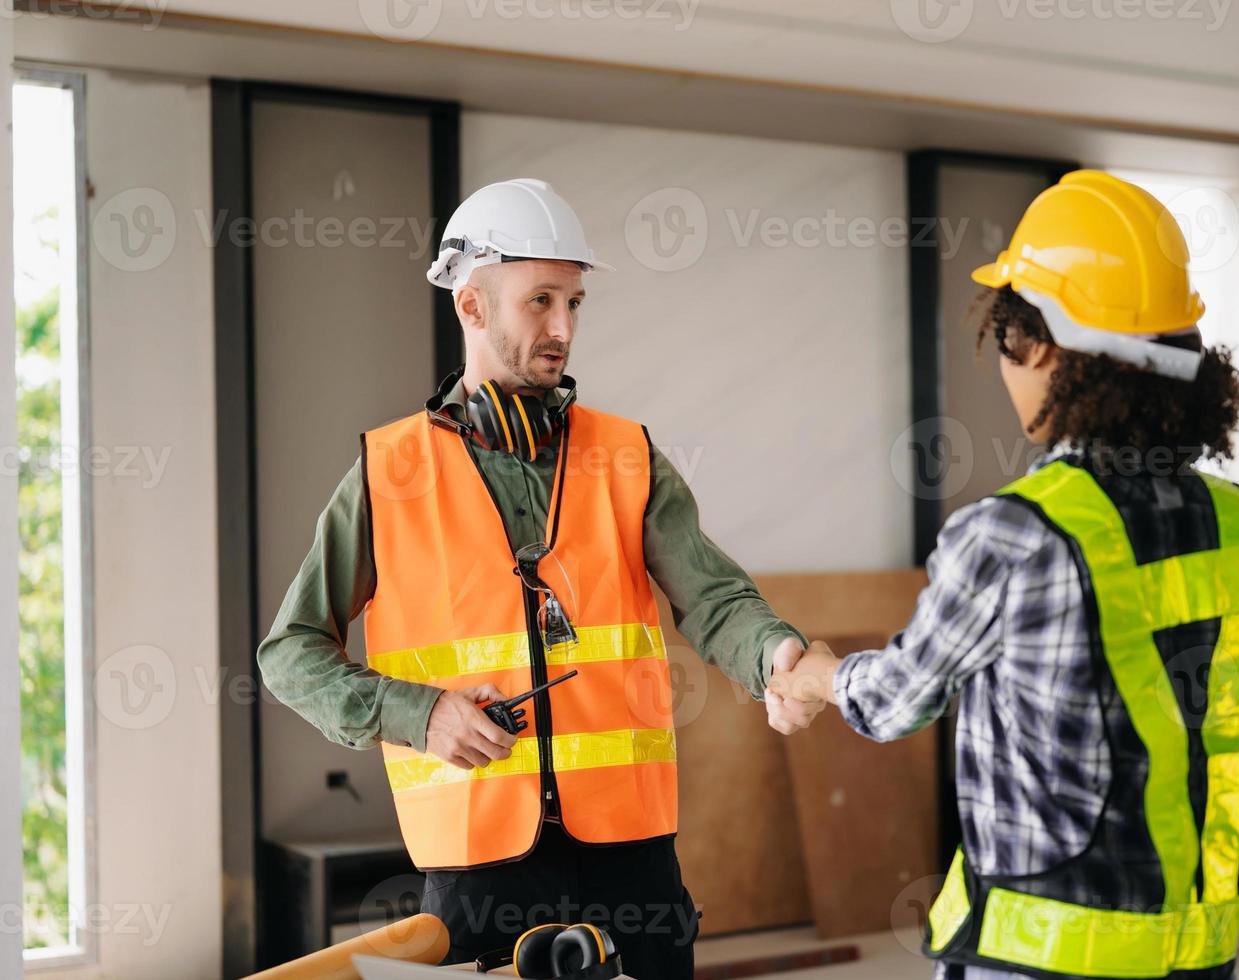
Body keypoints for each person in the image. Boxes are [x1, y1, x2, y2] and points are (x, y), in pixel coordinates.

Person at [257, 178, 824, 976]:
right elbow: (289, 652)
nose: (564, 328)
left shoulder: (627, 456)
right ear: (473, 306)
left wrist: (777, 659)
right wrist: (419, 716)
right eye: (541, 301)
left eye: (576, 303)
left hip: (633, 860)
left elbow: (715, 596)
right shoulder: (390, 474)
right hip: (479, 868)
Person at [771, 171, 1239, 979]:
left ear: (1037, 345)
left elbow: (898, 697)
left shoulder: (1013, 531)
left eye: (1005, 341)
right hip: (1196, 946)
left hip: (1044, 955)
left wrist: (819, 676)